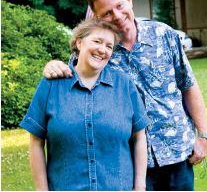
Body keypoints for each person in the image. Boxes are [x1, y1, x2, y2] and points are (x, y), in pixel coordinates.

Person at [43, 0, 207, 191]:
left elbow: (188, 85)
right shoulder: (98, 51)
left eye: (119, 6)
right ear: (97, 17)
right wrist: (52, 66)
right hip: (129, 161)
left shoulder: (164, 34)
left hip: (178, 152)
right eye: (107, 13)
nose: (117, 16)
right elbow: (72, 79)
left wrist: (203, 135)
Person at [20, 18, 149, 191]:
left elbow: (140, 137)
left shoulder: (124, 85)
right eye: (97, 41)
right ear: (79, 43)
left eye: (109, 46)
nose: (102, 50)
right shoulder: (51, 84)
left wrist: (140, 187)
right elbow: (36, 141)